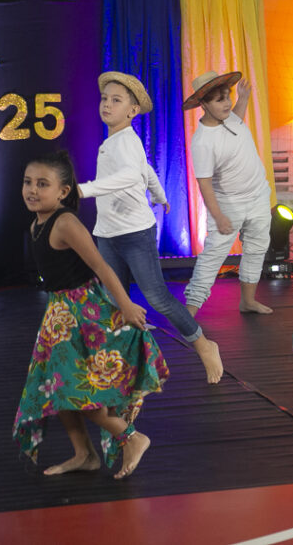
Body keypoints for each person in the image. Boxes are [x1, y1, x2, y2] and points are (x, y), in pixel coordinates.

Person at [14, 151, 169, 479]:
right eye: (28, 182)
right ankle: (84, 454)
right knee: (55, 386)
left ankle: (132, 437)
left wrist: (125, 305)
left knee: (74, 389)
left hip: (84, 313)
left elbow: (101, 266)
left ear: (63, 191)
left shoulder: (65, 223)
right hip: (59, 314)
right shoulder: (36, 224)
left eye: (42, 184)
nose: (32, 190)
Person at [78, 72, 223, 384]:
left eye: (116, 100)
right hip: (107, 233)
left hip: (134, 234)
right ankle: (122, 364)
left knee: (156, 296)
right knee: (115, 299)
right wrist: (159, 195)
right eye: (105, 98)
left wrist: (85, 189)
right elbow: (144, 169)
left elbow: (132, 175)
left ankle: (203, 344)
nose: (107, 104)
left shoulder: (126, 141)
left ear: (132, 110)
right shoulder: (114, 141)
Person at [183, 71, 272, 318]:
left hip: (258, 195)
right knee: (213, 256)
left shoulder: (229, 118)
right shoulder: (203, 142)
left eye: (227, 97)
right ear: (203, 104)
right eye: (219, 99)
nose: (226, 103)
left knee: (256, 248)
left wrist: (242, 99)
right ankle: (189, 313)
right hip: (229, 204)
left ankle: (248, 301)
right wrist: (218, 215)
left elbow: (236, 122)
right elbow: (204, 184)